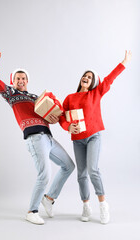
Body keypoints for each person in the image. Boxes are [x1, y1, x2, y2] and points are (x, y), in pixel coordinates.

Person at [0, 50, 75, 225]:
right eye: (17, 78)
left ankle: (49, 198)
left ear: (27, 81)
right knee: (44, 174)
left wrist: (56, 115)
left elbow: (53, 115)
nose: (21, 81)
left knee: (68, 166)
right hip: (35, 138)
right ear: (14, 81)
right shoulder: (11, 95)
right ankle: (32, 211)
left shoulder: (37, 98)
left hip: (48, 137)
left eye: (24, 78)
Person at [59, 50, 132, 224]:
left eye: (90, 77)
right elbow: (62, 117)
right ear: (81, 79)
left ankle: (103, 205)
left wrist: (124, 62)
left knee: (93, 170)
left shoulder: (96, 93)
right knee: (81, 174)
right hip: (77, 140)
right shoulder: (70, 98)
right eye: (85, 75)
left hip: (93, 136)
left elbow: (109, 79)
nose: (86, 77)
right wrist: (69, 126)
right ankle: (86, 206)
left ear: (93, 82)